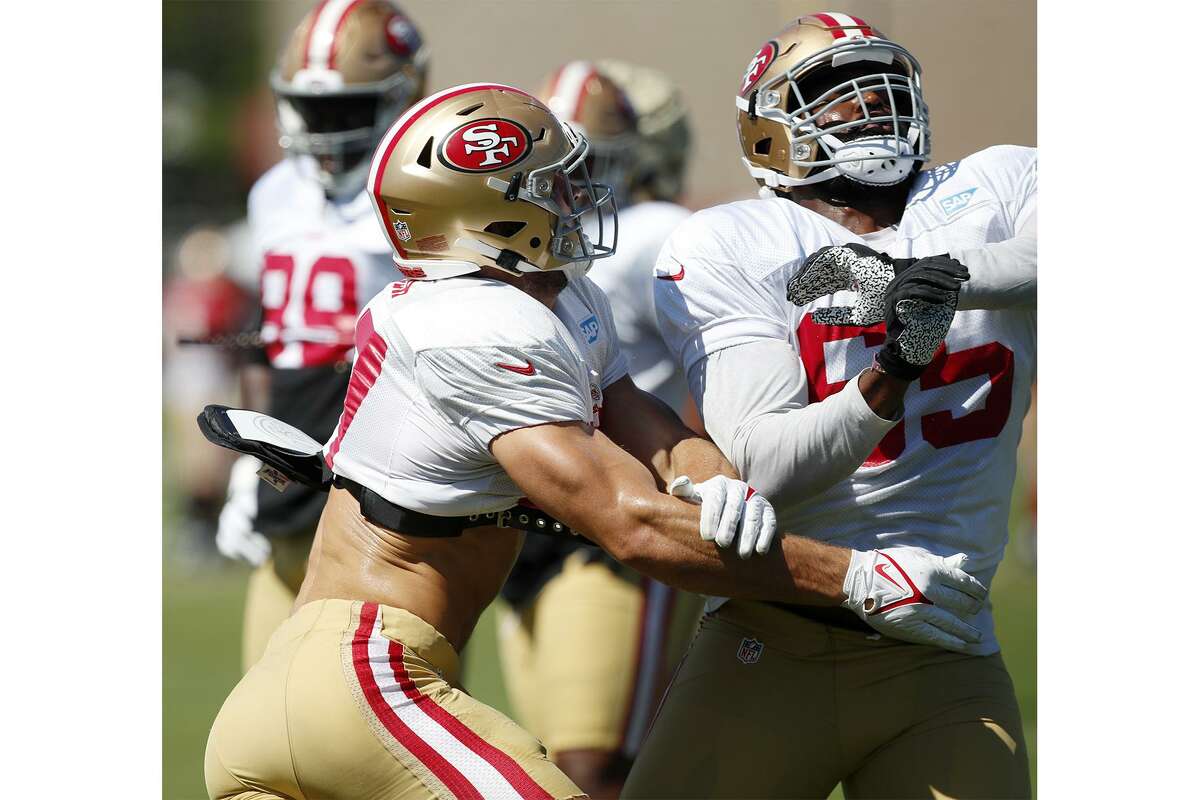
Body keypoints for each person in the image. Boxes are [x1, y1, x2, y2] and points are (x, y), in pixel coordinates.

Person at [203, 82, 987, 800]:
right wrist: (854, 577)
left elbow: (633, 413)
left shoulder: (547, 298)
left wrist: (715, 479)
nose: (579, 199)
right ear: (486, 212)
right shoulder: (480, 324)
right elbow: (633, 525)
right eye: (552, 187)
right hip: (365, 679)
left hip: (321, 676)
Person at [624, 12, 1036, 799]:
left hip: (948, 641)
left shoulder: (998, 185)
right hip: (776, 640)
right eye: (832, 90)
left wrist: (913, 274)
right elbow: (766, 465)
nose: (868, 101)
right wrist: (893, 370)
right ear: (771, 130)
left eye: (876, 80)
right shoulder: (731, 241)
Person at [492, 62, 699, 799]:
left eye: (593, 168)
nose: (575, 191)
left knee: (594, 768)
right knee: (549, 771)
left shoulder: (650, 233)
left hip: (615, 517)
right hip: (522, 523)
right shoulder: (510, 247)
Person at [214, 0, 429, 671]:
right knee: (258, 733)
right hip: (292, 461)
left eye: (347, 111)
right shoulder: (276, 192)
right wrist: (250, 455)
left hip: (382, 478)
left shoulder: (424, 194)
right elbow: (274, 341)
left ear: (402, 97)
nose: (325, 132)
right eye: (312, 110)